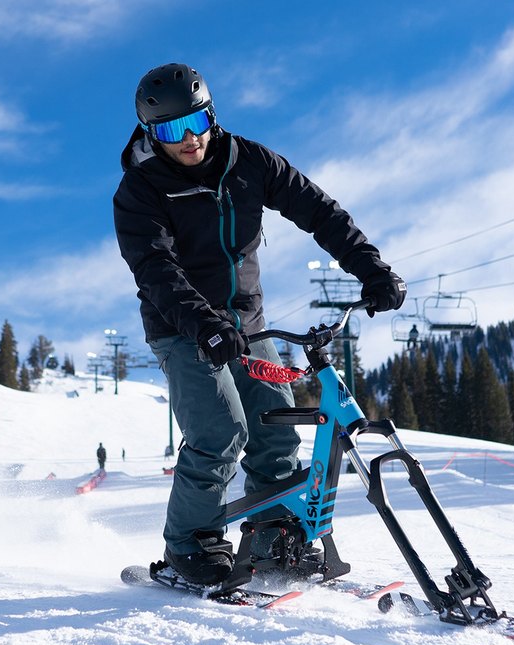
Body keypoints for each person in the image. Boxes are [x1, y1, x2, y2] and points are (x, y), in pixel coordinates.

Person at [113, 63, 407, 586]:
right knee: (220, 430)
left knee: (276, 424)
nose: (189, 141)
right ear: (150, 134)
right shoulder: (139, 191)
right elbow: (156, 269)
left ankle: (273, 531)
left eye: (196, 123)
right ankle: (189, 545)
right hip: (181, 326)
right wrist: (203, 324)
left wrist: (371, 268)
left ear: (212, 115)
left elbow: (320, 211)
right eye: (170, 131)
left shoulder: (250, 161)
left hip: (246, 321)